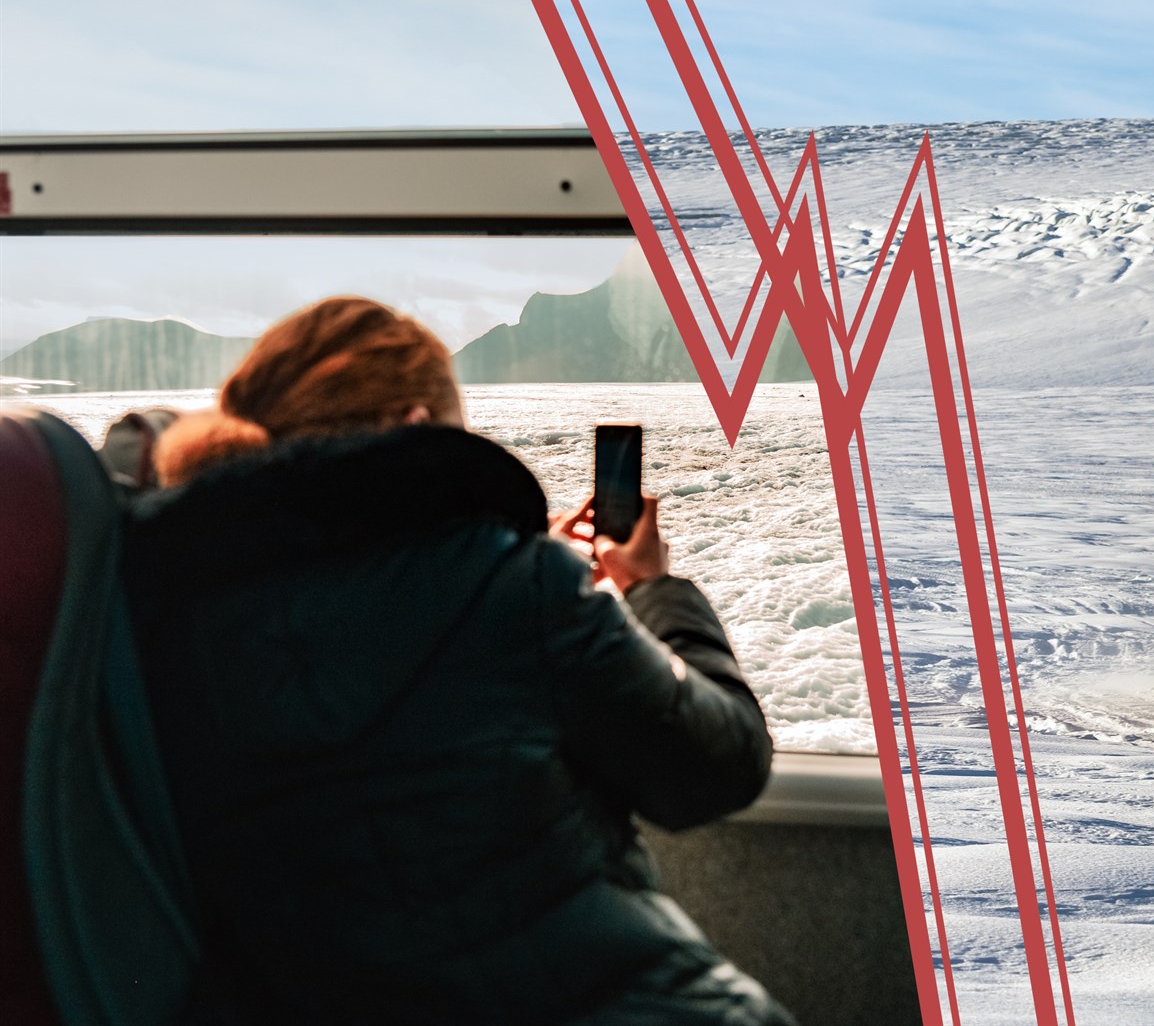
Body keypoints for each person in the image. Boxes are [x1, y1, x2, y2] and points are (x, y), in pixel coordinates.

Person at [123, 297, 792, 1025]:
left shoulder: (161, 614)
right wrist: (652, 589)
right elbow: (719, 767)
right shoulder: (520, 591)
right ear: (416, 429)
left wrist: (518, 576)